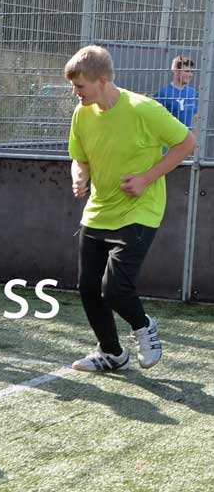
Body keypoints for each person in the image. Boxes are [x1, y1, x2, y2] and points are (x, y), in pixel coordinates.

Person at [65, 45, 195, 372]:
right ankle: (111, 353)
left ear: (102, 80)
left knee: (115, 288)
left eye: (79, 86)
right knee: (89, 288)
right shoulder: (82, 113)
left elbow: (186, 144)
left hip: (140, 210)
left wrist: (146, 178)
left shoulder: (143, 109)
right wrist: (80, 175)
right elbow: (78, 157)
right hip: (98, 211)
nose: (74, 92)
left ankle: (143, 326)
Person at [155, 56, 198, 136]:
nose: (190, 75)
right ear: (176, 71)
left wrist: (194, 141)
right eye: (186, 71)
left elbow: (194, 119)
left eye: (191, 71)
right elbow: (157, 121)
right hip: (169, 142)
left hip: (187, 142)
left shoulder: (193, 93)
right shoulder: (163, 93)